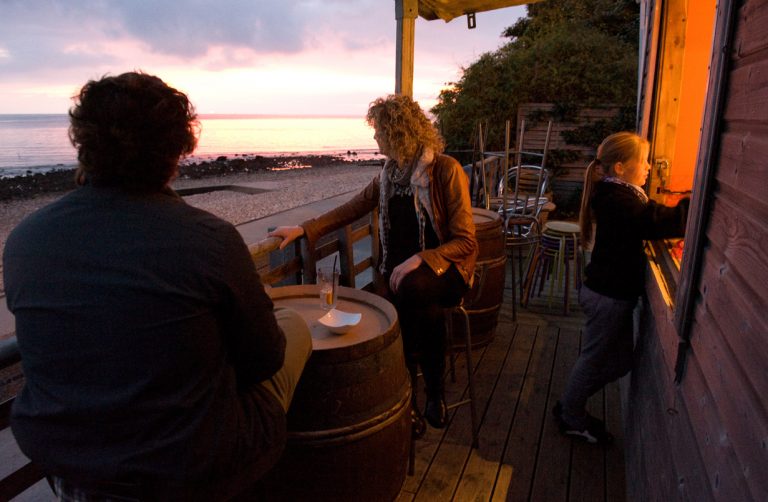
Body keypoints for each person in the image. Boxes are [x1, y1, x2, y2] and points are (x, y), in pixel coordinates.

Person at [3, 71, 312, 500]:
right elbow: (264, 360)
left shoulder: (26, 240)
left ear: (84, 145)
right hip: (192, 467)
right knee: (293, 326)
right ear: (177, 151)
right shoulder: (208, 238)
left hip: (71, 463)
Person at [269, 94, 477, 429]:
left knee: (414, 294)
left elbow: (466, 240)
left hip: (445, 269)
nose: (375, 138)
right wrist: (305, 228)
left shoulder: (444, 170)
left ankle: (427, 393)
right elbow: (352, 208)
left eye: (379, 131)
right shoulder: (390, 175)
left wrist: (421, 258)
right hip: (398, 274)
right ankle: (413, 395)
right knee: (409, 299)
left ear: (398, 132)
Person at [554, 131, 689, 444]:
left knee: (620, 362)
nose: (648, 168)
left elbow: (647, 215)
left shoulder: (621, 195)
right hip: (607, 297)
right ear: (619, 168)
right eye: (642, 161)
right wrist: (691, 205)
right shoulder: (619, 200)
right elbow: (654, 222)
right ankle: (571, 414)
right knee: (592, 359)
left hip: (609, 294)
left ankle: (571, 402)